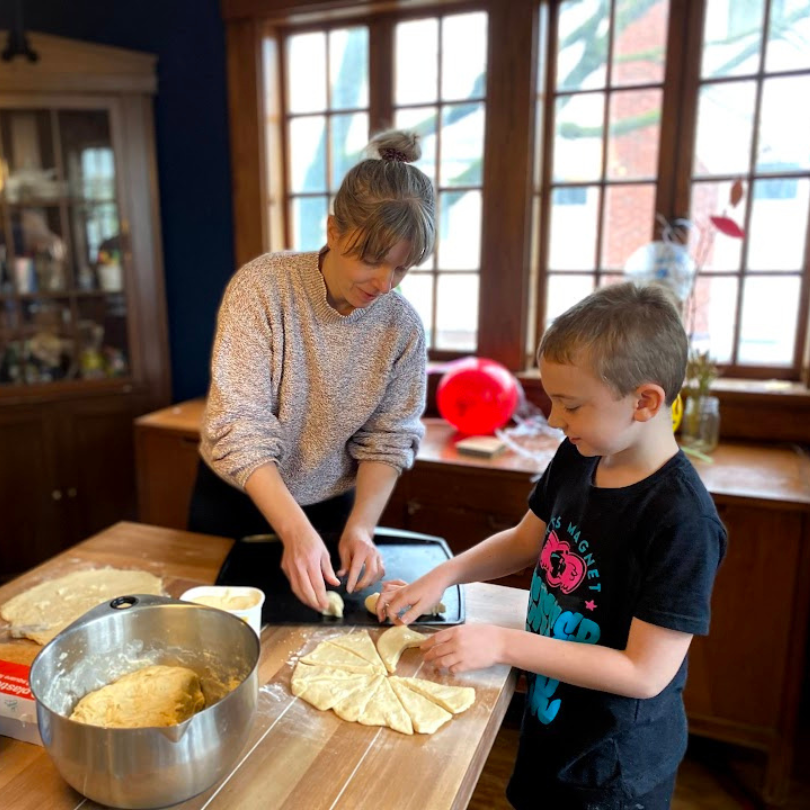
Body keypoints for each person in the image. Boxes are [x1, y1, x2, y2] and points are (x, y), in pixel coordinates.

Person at [378, 282, 727, 810]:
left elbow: (644, 672)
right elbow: (526, 539)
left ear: (645, 401)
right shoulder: (582, 453)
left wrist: (501, 644)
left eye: (571, 404)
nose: (554, 419)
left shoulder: (681, 521)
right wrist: (443, 575)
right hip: (552, 728)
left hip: (613, 769)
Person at [190, 129, 435, 612]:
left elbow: (389, 436)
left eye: (402, 270)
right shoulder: (263, 288)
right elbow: (239, 425)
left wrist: (361, 527)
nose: (386, 284)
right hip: (239, 499)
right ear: (333, 230)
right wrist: (291, 529)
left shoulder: (401, 327)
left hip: (331, 510)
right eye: (372, 260)